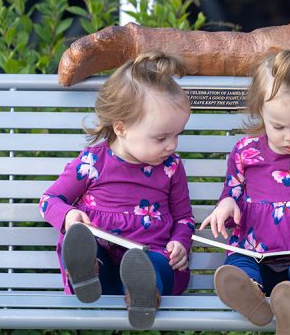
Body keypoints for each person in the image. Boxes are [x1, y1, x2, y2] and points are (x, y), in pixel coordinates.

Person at [39, 53, 195, 330]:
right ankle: (86, 275)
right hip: (104, 256)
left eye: (177, 135)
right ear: (121, 128)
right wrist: (69, 216)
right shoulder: (92, 163)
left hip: (151, 252)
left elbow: (184, 218)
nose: (172, 145)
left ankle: (143, 294)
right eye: (161, 137)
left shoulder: (171, 167)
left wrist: (181, 243)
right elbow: (50, 200)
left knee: (151, 264)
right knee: (79, 242)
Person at [200, 49, 290, 335]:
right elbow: (233, 191)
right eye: (278, 126)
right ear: (260, 110)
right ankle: (252, 296)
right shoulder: (245, 151)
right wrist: (227, 205)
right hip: (256, 250)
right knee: (240, 263)